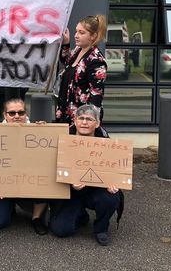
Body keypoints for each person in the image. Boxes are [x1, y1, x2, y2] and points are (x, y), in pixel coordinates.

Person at [49, 104, 123, 246]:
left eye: (89, 119)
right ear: (75, 121)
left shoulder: (107, 143)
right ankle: (81, 215)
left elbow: (115, 171)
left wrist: (114, 184)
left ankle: (101, 229)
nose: (84, 122)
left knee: (111, 197)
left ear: (97, 124)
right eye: (81, 118)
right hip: (70, 193)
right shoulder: (62, 138)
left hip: (95, 191)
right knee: (60, 230)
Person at [0, 98, 49, 235]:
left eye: (21, 112)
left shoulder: (37, 130)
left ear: (26, 114)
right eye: (12, 113)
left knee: (44, 177)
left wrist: (46, 131)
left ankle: (36, 217)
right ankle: (10, 206)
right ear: (5, 115)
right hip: (5, 185)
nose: (17, 116)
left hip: (32, 183)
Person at [56, 14, 107, 126]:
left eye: (81, 32)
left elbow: (97, 94)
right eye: (76, 31)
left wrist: (89, 121)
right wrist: (66, 42)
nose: (76, 35)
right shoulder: (78, 50)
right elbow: (66, 62)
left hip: (82, 119)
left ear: (93, 36)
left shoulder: (96, 60)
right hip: (66, 111)